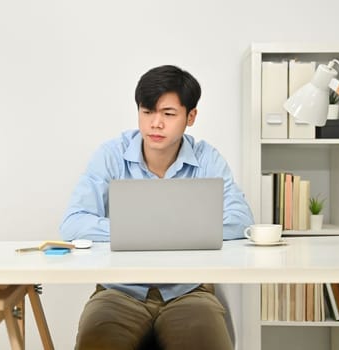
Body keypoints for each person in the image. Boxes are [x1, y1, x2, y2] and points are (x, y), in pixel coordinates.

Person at [59, 65, 254, 350]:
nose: (155, 124)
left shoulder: (207, 158)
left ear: (191, 117)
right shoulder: (111, 154)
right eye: (147, 112)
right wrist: (149, 230)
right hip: (119, 290)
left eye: (168, 114)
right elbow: (73, 224)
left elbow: (241, 220)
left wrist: (161, 230)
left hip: (189, 291)